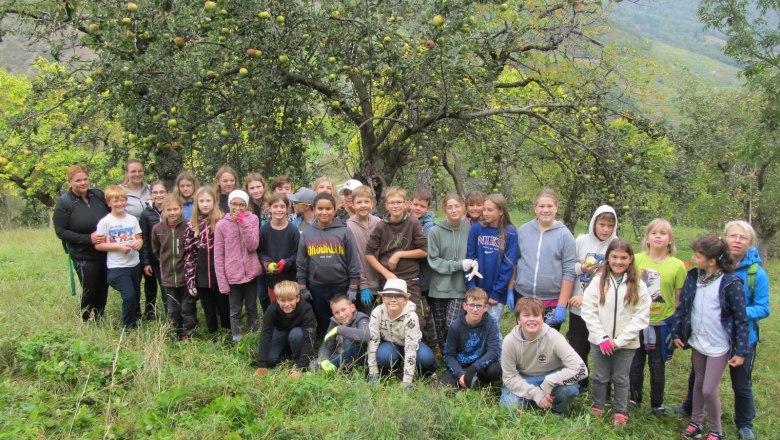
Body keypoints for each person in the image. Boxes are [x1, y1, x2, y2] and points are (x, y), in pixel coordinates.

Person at [676, 221, 770, 440]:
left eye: (742, 237)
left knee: (730, 385)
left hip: (724, 341)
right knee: (698, 382)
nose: (737, 240)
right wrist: (679, 333)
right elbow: (686, 306)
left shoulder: (737, 280)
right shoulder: (695, 276)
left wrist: (740, 349)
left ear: (712, 259)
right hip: (700, 340)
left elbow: (743, 318)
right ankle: (696, 421)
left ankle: (729, 426)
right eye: (733, 236)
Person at [581, 239, 651, 427]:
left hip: (626, 343)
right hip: (599, 341)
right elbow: (589, 310)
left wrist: (619, 341)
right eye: (614, 257)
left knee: (621, 377)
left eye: (623, 258)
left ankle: (620, 410)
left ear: (630, 260)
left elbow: (640, 316)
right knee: (600, 375)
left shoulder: (639, 285)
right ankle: (598, 404)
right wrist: (601, 338)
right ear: (607, 258)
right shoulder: (597, 281)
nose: (618, 262)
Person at [629, 218, 687, 414]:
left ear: (670, 240)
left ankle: (657, 404)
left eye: (663, 234)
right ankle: (634, 399)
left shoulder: (677, 265)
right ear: (647, 238)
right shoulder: (636, 260)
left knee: (657, 365)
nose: (658, 237)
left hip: (662, 323)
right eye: (654, 233)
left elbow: (679, 299)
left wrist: (677, 325)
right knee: (635, 363)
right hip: (637, 321)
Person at [500, 297, 587, 414]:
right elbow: (509, 377)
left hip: (553, 377)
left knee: (568, 390)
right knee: (510, 408)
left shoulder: (554, 337)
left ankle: (557, 412)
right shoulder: (509, 341)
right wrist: (536, 393)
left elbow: (581, 369)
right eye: (526, 316)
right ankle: (534, 400)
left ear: (542, 319)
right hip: (524, 378)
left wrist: (549, 382)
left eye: (536, 316)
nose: (532, 320)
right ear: (518, 320)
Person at [365, 186, 429, 341]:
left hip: (409, 279)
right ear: (386, 205)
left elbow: (424, 251)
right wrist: (386, 273)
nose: (395, 206)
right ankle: (390, 353)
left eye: (399, 202)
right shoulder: (381, 225)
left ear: (406, 203)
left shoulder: (413, 222)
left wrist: (399, 254)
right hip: (388, 281)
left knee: (415, 318)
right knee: (389, 318)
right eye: (392, 202)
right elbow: (369, 253)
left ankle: (416, 351)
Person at [567, 205, 618, 392]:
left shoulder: (616, 245)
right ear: (594, 223)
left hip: (602, 308)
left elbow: (613, 279)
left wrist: (586, 298)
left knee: (602, 347)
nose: (606, 229)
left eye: (610, 225)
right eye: (602, 224)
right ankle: (581, 382)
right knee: (578, 346)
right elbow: (568, 267)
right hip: (576, 307)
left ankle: (604, 387)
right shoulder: (580, 241)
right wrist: (581, 268)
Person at [296, 192, 361, 337]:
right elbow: (301, 262)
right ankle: (325, 343)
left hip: (341, 284)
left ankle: (344, 343)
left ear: (335, 210)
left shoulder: (344, 231)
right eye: (320, 209)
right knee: (323, 318)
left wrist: (353, 286)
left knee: (343, 317)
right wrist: (302, 286)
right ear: (313, 210)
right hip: (317, 286)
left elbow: (353, 260)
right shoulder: (307, 233)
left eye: (328, 209)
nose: (324, 212)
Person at [513, 187, 576, 331]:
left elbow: (569, 272)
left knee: (546, 343)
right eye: (541, 206)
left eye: (549, 206)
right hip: (523, 297)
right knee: (525, 338)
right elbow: (515, 262)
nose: (545, 210)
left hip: (551, 301)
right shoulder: (523, 230)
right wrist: (511, 289)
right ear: (535, 208)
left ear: (556, 207)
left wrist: (561, 305)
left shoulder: (565, 236)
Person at [53, 164, 110, 321]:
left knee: (103, 286)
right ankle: (85, 319)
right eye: (78, 180)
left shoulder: (98, 195)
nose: (83, 183)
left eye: (85, 179)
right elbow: (61, 232)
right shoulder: (64, 203)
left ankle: (98, 317)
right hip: (83, 255)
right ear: (70, 182)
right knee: (89, 288)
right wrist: (88, 239)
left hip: (104, 251)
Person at [367, 279, 437, 389]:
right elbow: (373, 340)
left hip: (412, 345)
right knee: (383, 355)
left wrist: (407, 381)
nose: (393, 300)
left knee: (425, 358)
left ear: (405, 299)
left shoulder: (411, 317)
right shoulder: (377, 312)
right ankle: (391, 370)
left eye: (398, 296)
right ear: (383, 298)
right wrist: (373, 372)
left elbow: (410, 348)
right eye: (389, 296)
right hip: (391, 344)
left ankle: (427, 372)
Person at [214, 189, 261, 344]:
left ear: (247, 206)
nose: (238, 208)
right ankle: (237, 339)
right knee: (235, 310)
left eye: (242, 204)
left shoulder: (253, 219)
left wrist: (243, 222)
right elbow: (218, 256)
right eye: (234, 204)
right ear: (229, 205)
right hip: (232, 276)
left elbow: (253, 245)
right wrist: (222, 281)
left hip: (251, 274)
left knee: (252, 307)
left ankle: (255, 336)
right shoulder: (221, 225)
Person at [95, 185, 144, 329]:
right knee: (129, 295)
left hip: (134, 264)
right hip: (117, 267)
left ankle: (136, 320)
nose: (119, 203)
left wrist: (139, 243)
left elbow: (139, 237)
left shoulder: (132, 219)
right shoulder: (105, 222)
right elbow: (99, 245)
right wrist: (118, 247)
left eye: (122, 200)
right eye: (115, 200)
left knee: (135, 294)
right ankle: (127, 328)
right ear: (109, 203)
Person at [428, 193, 471, 351]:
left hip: (459, 288)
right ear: (444, 209)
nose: (454, 210)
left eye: (457, 206)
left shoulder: (469, 229)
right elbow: (434, 261)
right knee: (440, 326)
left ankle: (454, 354)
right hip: (439, 287)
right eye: (449, 207)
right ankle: (447, 357)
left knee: (452, 323)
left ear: (463, 207)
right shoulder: (435, 231)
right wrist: (458, 265)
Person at [465, 193, 518, 324]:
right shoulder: (477, 228)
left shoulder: (510, 232)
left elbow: (508, 265)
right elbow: (469, 258)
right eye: (484, 209)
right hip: (476, 290)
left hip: (496, 292)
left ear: (501, 211)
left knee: (492, 329)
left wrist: (496, 293)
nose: (485, 213)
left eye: (490, 210)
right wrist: (472, 289)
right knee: (474, 327)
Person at [184, 186, 230, 334]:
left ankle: (229, 334)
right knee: (208, 309)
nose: (205, 204)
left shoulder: (222, 221)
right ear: (197, 203)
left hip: (221, 274)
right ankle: (213, 334)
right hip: (202, 275)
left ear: (214, 201)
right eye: (201, 201)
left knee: (224, 307)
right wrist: (191, 280)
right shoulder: (191, 225)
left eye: (208, 200)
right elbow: (189, 254)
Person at [152, 195, 196, 340]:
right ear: (163, 210)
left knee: (187, 308)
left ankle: (188, 333)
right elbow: (156, 250)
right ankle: (174, 332)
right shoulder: (158, 229)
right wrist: (165, 262)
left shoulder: (188, 226)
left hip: (186, 276)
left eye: (175, 209)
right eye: (168, 210)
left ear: (181, 209)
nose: (172, 213)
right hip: (168, 276)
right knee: (172, 309)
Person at [441, 287, 502, 389]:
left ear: (486, 307)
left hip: (481, 365)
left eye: (479, 306)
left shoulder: (491, 323)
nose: (475, 309)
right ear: (465, 306)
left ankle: (481, 383)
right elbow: (448, 355)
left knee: (496, 370)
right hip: (461, 364)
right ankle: (468, 381)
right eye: (471, 305)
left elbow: (494, 351)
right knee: (446, 388)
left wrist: (474, 368)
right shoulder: (455, 326)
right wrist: (460, 374)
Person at [254, 281, 317, 377]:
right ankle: (287, 352)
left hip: (298, 333)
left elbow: (309, 337)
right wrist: (262, 364)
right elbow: (266, 334)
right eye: (283, 300)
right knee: (271, 360)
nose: (287, 304)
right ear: (277, 300)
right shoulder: (272, 309)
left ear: (297, 298)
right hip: (281, 331)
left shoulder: (306, 309)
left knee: (296, 335)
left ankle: (298, 360)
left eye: (290, 300)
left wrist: (302, 367)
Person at [120, 159, 154, 321]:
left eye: (140, 171)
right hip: (130, 241)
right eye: (133, 171)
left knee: (150, 276)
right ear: (126, 173)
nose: (137, 174)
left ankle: (151, 309)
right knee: (134, 277)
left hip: (149, 239)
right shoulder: (120, 192)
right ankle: (135, 311)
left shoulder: (150, 190)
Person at [345, 186, 381, 316]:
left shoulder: (378, 222)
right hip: (364, 286)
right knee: (367, 320)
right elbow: (354, 258)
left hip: (381, 283)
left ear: (372, 203)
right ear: (353, 205)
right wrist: (363, 284)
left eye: (366, 202)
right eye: (359, 202)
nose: (363, 205)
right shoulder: (349, 226)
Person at [259, 194, 299, 312]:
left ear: (287, 208)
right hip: (273, 280)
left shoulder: (293, 230)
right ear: (269, 208)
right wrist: (265, 262)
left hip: (290, 278)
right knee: (277, 307)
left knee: (291, 307)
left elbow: (298, 255)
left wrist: (286, 263)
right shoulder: (264, 230)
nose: (279, 209)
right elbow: (260, 252)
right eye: (275, 206)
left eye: (282, 206)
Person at [313, 294, 371, 371]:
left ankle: (347, 369)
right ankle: (340, 368)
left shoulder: (361, 318)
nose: (341, 315)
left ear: (352, 307)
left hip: (360, 358)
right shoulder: (334, 321)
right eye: (336, 312)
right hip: (341, 356)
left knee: (348, 341)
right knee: (315, 364)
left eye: (343, 310)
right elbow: (327, 344)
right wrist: (323, 359)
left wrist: (341, 329)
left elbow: (366, 335)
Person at [139, 180, 167, 319]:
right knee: (150, 285)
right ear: (151, 195)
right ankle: (150, 312)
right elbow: (143, 238)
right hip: (152, 257)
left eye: (161, 192)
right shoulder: (146, 214)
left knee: (166, 287)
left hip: (168, 257)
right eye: (155, 192)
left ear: (167, 193)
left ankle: (171, 314)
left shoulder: (173, 210)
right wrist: (145, 262)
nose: (159, 195)